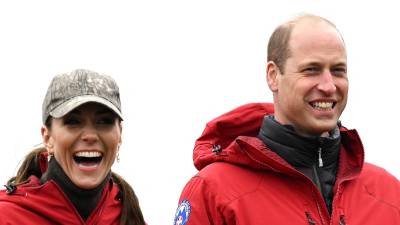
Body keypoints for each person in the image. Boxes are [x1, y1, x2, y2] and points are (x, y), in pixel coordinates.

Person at [174, 14, 400, 225]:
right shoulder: (214, 191)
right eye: (311, 69)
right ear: (273, 76)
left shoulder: (390, 193)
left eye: (338, 70)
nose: (329, 85)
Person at [0, 69, 146, 225]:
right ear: (48, 137)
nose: (90, 136)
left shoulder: (131, 217)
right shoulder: (7, 217)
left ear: (120, 135)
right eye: (73, 121)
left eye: (104, 121)